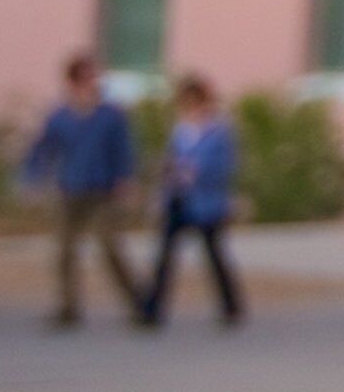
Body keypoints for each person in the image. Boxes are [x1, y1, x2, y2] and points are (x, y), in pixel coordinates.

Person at [18, 53, 143, 329]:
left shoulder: (110, 115)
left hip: (103, 191)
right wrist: (32, 178)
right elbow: (42, 150)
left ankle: (138, 303)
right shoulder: (60, 116)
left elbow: (124, 150)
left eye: (94, 77)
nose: (93, 82)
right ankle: (68, 308)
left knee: (109, 245)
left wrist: (127, 180)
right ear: (74, 82)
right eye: (87, 78)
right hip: (70, 189)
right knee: (64, 250)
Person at [140, 73, 247, 329]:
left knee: (213, 254)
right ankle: (151, 309)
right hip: (179, 199)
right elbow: (171, 161)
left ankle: (231, 306)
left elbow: (226, 166)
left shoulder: (219, 131)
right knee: (165, 255)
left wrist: (198, 172)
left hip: (206, 202)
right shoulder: (180, 131)